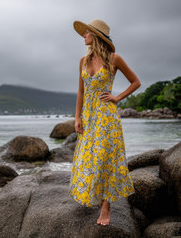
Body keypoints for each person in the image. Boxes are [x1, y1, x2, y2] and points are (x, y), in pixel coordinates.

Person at [69, 19, 141, 226]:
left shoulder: (114, 58)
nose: (83, 36)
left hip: (107, 117)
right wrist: (77, 117)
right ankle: (94, 197)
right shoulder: (83, 61)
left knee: (104, 159)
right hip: (89, 117)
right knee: (88, 158)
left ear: (96, 36)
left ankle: (105, 207)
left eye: (87, 33)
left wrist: (117, 98)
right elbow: (81, 91)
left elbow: (136, 82)